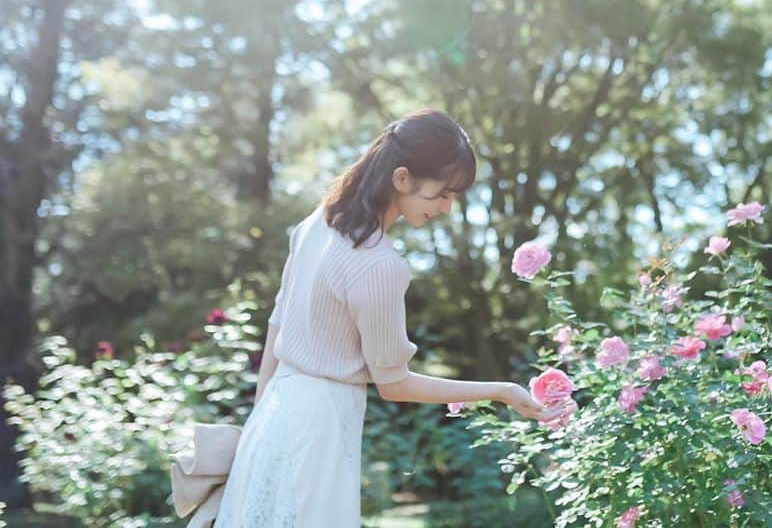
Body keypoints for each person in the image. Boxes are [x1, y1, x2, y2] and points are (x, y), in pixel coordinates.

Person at [213, 108, 557, 527]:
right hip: (318, 427)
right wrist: (501, 390)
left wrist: (257, 417)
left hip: (274, 413)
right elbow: (393, 383)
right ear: (402, 178)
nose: (448, 207)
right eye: (443, 193)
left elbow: (277, 323)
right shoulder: (379, 264)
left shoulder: (314, 225)